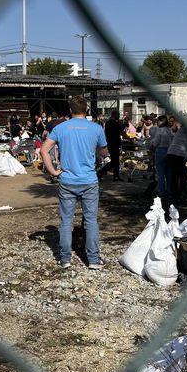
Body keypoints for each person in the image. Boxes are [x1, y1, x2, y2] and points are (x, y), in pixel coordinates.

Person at [41, 95, 108, 269]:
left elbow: (43, 150)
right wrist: (100, 151)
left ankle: (65, 259)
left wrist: (53, 171)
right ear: (86, 109)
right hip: (89, 180)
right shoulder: (96, 128)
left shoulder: (61, 127)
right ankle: (93, 259)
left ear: (70, 110)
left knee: (66, 221)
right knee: (91, 220)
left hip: (67, 180)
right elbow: (104, 153)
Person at [165, 121, 187, 205]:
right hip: (177, 154)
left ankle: (175, 197)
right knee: (184, 174)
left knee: (176, 175)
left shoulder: (183, 130)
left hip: (172, 153)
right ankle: (180, 195)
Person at [149, 115, 174, 197]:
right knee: (169, 173)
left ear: (161, 122)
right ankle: (169, 190)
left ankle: (161, 191)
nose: (157, 123)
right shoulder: (170, 131)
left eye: (158, 121)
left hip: (160, 151)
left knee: (160, 174)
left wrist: (152, 144)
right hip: (170, 152)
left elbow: (155, 142)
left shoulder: (159, 131)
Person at [98, 110, 125, 181]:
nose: (119, 116)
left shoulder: (108, 123)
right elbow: (122, 131)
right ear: (114, 115)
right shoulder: (114, 123)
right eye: (118, 114)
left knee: (116, 161)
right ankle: (100, 173)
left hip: (111, 143)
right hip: (114, 144)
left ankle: (116, 176)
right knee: (114, 161)